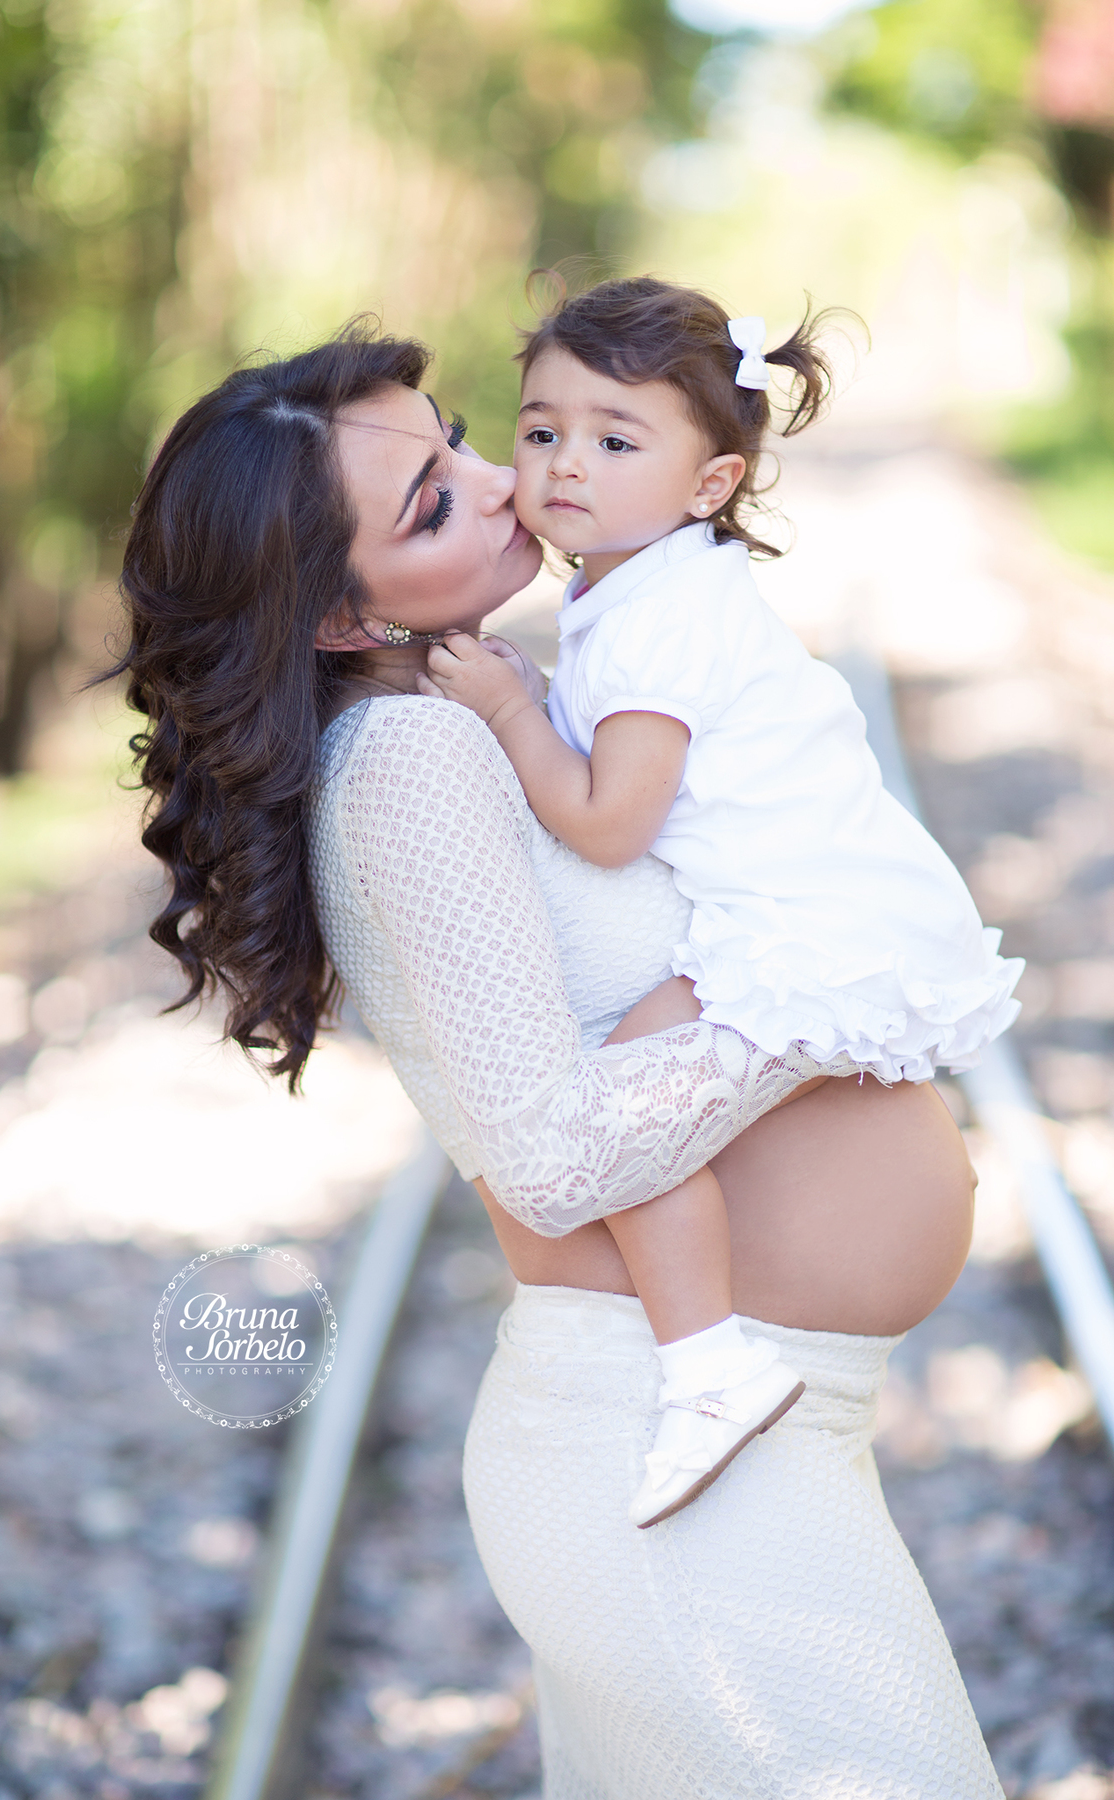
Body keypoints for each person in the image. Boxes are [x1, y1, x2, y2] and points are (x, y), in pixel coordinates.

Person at [113, 322, 1005, 1795]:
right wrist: (815, 1001)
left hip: (724, 1437)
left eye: (463, 441)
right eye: (431, 505)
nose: (500, 483)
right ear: (336, 617)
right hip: (658, 1443)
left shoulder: (480, 705)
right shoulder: (408, 761)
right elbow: (547, 1153)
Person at [419, 277, 1023, 1529]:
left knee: (617, 1111)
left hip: (812, 933)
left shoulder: (661, 622)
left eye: (615, 441)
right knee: (627, 1105)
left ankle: (710, 1373)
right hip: (812, 911)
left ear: (710, 485)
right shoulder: (643, 590)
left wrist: (510, 710)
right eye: (542, 430)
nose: (565, 464)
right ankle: (708, 1361)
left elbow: (609, 822)